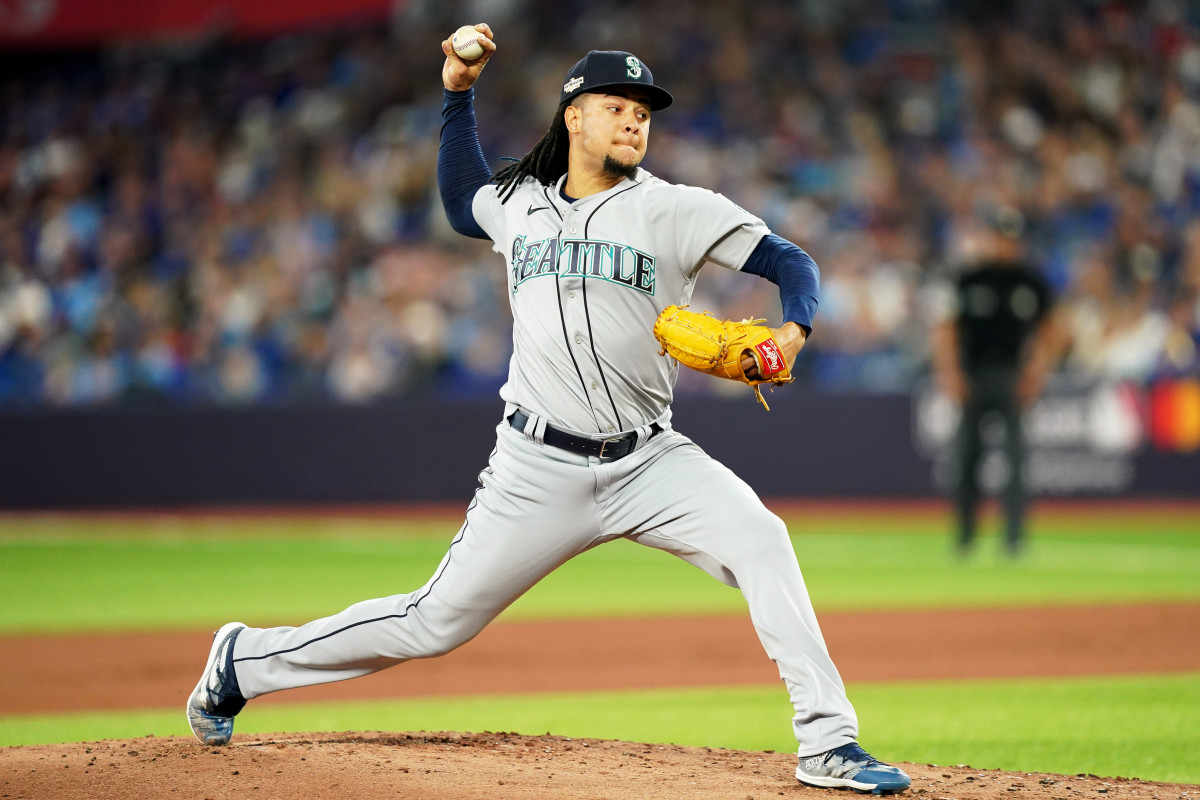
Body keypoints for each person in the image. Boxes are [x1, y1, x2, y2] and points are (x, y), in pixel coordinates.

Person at [186, 24, 911, 794]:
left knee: (761, 538)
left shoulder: (676, 209)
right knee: (435, 622)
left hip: (648, 460)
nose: (635, 119)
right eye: (617, 105)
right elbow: (462, 199)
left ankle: (828, 741)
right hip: (537, 467)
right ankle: (244, 661)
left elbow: (789, 260)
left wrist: (793, 334)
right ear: (573, 116)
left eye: (644, 110)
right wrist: (456, 94)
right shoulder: (520, 202)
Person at [931, 206, 1065, 558]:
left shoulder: (1030, 280)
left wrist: (1037, 370)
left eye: (1011, 237)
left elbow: (1053, 328)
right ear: (990, 238)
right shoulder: (970, 278)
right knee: (967, 457)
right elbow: (946, 328)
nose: (1006, 244)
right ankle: (965, 535)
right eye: (1001, 236)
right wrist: (951, 374)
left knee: (1016, 459)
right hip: (972, 376)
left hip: (1011, 376)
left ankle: (1014, 537)